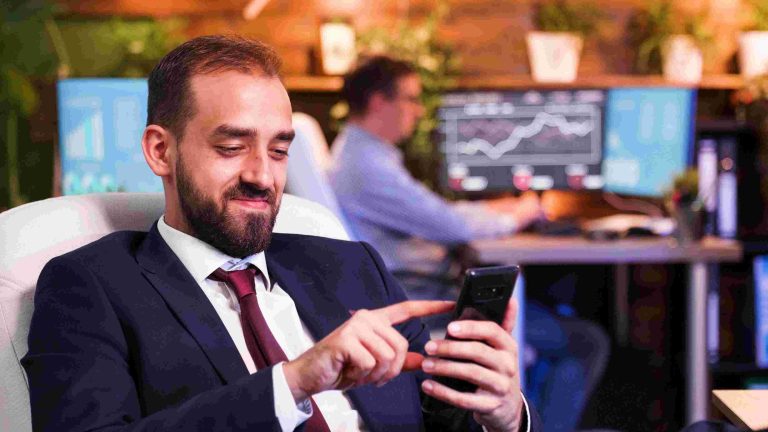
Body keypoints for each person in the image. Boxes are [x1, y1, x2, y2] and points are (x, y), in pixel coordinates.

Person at [22, 35, 539, 432]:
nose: (262, 176)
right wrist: (293, 383)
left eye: (278, 150)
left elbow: (438, 422)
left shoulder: (353, 268)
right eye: (231, 147)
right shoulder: (89, 287)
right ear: (161, 151)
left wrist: (501, 414)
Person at [328, 55, 609, 431]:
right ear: (379, 102)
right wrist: (523, 211)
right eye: (410, 99)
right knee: (585, 341)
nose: (416, 110)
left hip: (420, 291)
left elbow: (435, 213)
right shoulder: (367, 166)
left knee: (569, 339)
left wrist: (504, 206)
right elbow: (453, 225)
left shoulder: (361, 154)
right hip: (426, 303)